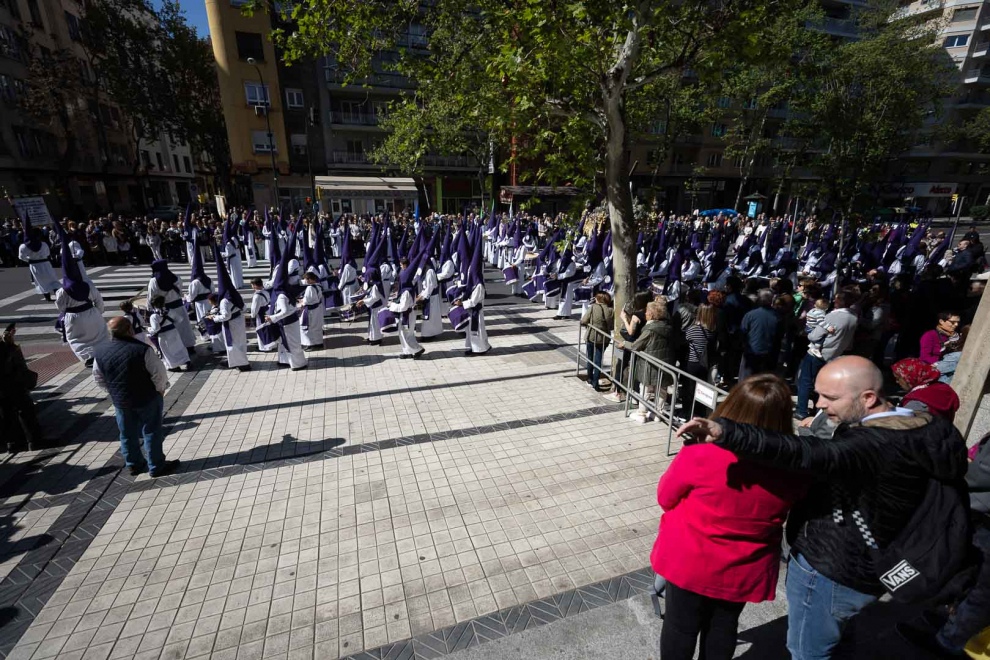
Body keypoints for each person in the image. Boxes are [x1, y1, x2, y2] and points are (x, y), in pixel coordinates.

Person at [676, 355, 968, 660]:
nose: (818, 404)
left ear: (868, 398)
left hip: (831, 569)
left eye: (830, 397)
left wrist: (727, 432)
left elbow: (806, 453)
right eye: (817, 394)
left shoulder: (873, 445)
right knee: (839, 638)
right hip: (868, 568)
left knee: (808, 651)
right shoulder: (928, 426)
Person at [653, 374, 807, 660]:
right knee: (723, 626)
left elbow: (665, 498)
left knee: (680, 627)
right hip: (743, 567)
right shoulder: (793, 466)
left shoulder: (701, 455)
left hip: (689, 561)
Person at [92, 317, 179, 478]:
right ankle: (156, 465)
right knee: (151, 431)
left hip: (121, 401)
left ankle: (133, 464)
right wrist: (160, 390)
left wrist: (113, 391)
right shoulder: (142, 349)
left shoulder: (100, 351)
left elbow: (98, 378)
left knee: (126, 433)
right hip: (146, 397)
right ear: (129, 330)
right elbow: (158, 373)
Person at [794, 292, 857, 419]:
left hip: (818, 353)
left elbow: (814, 336)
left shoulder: (833, 316)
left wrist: (810, 331)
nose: (834, 299)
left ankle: (802, 411)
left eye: (837, 298)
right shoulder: (854, 316)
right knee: (821, 383)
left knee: (805, 381)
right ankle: (818, 411)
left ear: (841, 301)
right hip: (834, 354)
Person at [615, 301, 674, 425]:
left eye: (647, 312)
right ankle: (658, 413)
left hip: (649, 363)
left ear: (652, 315)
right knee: (661, 388)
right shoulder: (669, 327)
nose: (645, 313)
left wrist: (624, 344)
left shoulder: (649, 329)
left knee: (646, 389)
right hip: (665, 363)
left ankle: (641, 414)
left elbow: (636, 345)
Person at [0, 325, 44, 452]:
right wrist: (9, 340)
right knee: (25, 410)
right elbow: (13, 362)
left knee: (6, 411)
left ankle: (13, 443)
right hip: (11, 384)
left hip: (4, 389)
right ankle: (34, 441)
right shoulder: (8, 349)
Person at [209, 244, 250, 371]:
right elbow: (244, 307)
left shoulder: (224, 301)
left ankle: (242, 364)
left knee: (233, 343)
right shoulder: (234, 294)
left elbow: (226, 316)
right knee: (240, 342)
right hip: (239, 320)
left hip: (232, 323)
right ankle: (236, 361)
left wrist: (214, 318)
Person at [149, 260, 197, 352]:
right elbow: (180, 289)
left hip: (165, 310)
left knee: (171, 331)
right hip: (179, 306)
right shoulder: (176, 277)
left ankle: (177, 349)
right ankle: (189, 346)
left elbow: (151, 296)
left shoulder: (154, 281)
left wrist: (151, 308)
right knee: (184, 327)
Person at [892, 358, 960, 422]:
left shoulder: (916, 402)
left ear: (910, 377)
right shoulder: (942, 388)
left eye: (898, 378)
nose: (896, 382)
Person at [738, 289, 780, 380]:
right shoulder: (777, 316)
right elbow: (779, 336)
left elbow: (742, 332)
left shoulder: (750, 314)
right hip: (768, 353)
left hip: (751, 352)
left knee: (746, 379)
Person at [580, 292, 613, 392]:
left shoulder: (593, 307)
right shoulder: (611, 310)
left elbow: (584, 320)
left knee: (590, 358)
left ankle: (589, 378)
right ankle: (595, 382)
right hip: (604, 338)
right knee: (599, 359)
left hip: (592, 336)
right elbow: (611, 326)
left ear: (598, 299)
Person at [299, 271, 325, 351]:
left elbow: (306, 301)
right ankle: (319, 343)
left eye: (306, 279)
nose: (305, 281)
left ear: (310, 279)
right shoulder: (318, 286)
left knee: (307, 327)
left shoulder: (309, 288)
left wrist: (301, 301)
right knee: (317, 327)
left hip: (310, 311)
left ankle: (309, 344)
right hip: (317, 309)